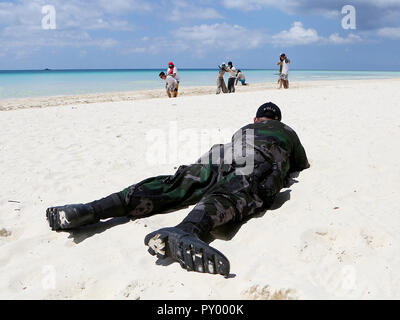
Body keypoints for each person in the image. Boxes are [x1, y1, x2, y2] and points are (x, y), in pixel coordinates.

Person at [46, 102, 310, 277]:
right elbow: (301, 164)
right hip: (257, 156)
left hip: (221, 153)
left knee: (176, 185)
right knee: (232, 191)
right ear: (278, 120)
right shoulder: (286, 130)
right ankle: (186, 231)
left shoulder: (245, 127)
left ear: (255, 118)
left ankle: (90, 209)